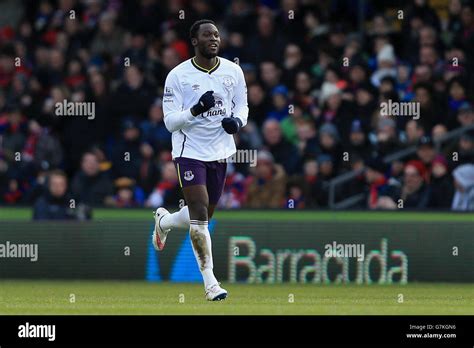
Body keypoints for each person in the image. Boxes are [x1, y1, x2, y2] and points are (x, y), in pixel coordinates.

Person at [152, 20, 248, 301]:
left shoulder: (233, 71)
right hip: (189, 151)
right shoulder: (178, 76)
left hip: (219, 153)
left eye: (217, 35)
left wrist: (237, 121)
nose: (214, 39)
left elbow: (242, 104)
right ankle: (211, 284)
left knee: (202, 215)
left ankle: (165, 222)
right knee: (199, 214)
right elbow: (170, 122)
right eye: (207, 35)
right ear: (194, 41)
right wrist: (195, 110)